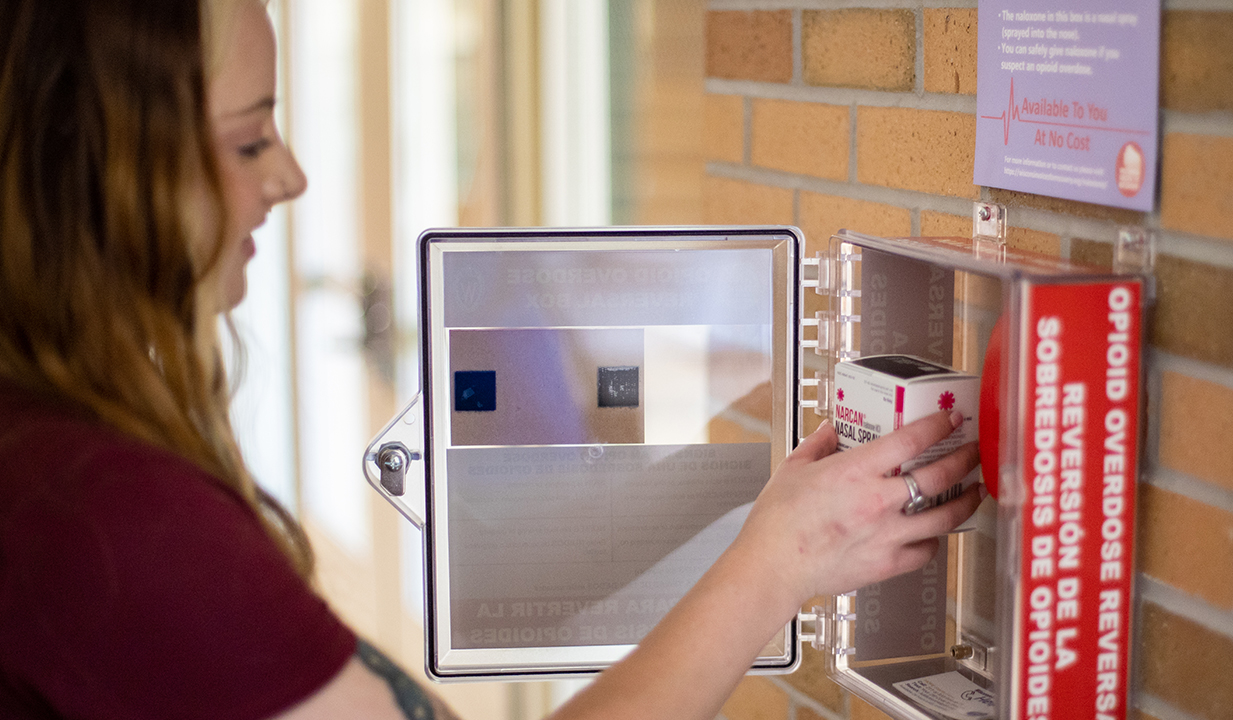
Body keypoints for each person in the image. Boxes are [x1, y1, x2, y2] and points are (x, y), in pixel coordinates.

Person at [0, 0, 983, 718]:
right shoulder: (109, 519)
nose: (290, 176)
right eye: (251, 137)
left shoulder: (47, 455)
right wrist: (778, 562)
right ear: (96, 159)